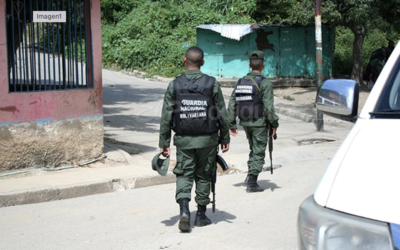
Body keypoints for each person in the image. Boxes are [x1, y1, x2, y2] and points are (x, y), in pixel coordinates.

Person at [158, 46, 230, 233]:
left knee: (184, 174)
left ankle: (184, 211)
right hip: (208, 140)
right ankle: (201, 215)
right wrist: (225, 137)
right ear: (203, 63)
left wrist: (164, 143)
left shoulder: (174, 85)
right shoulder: (212, 83)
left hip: (184, 140)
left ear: (184, 60)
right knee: (204, 174)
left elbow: (166, 116)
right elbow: (222, 112)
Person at [227, 50, 279, 193]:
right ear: (263, 65)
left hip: (245, 123)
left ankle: (250, 175)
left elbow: (232, 104)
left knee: (254, 149)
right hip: (259, 123)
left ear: (250, 64)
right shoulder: (265, 83)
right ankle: (252, 182)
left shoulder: (240, 82)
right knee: (258, 152)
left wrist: (231, 124)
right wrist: (274, 124)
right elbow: (269, 108)